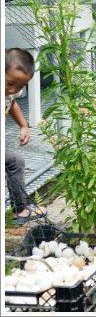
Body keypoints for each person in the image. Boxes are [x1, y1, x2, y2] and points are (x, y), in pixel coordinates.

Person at [5, 48, 38, 222]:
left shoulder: (9, 93)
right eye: (11, 83)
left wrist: (23, 126)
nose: (14, 90)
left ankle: (20, 211)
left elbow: (13, 103)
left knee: (15, 162)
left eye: (20, 86)